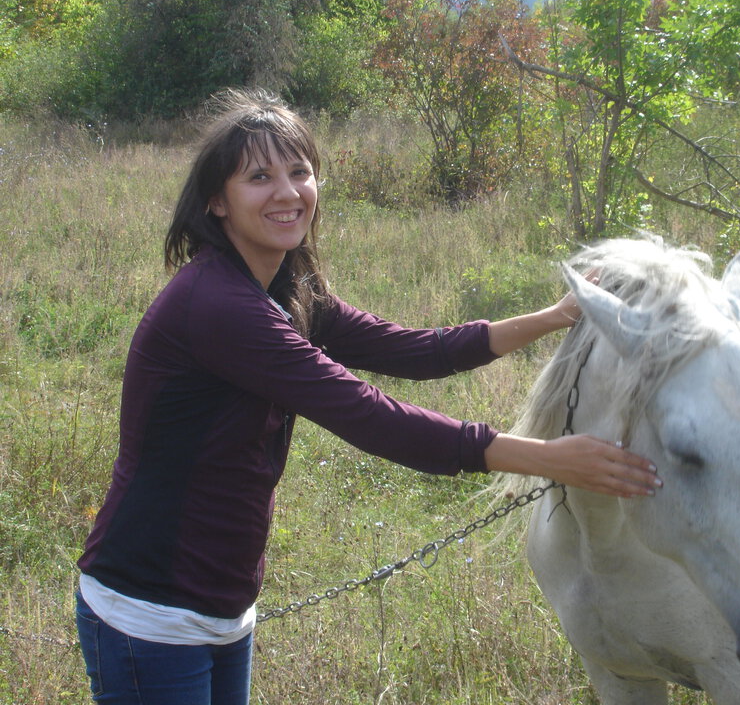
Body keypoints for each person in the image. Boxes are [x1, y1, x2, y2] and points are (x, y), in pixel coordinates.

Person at [74, 88, 662, 705]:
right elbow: (367, 415)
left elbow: (413, 349)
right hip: (149, 611)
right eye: (259, 177)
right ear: (217, 202)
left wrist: (551, 316)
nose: (287, 192)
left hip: (219, 605)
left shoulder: (283, 285)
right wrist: (546, 457)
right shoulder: (218, 306)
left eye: (300, 171)